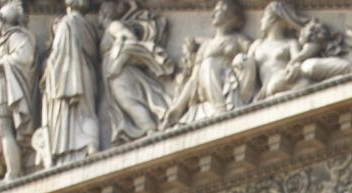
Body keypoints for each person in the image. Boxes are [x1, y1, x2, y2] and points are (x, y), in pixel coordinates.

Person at [229, 1, 352, 106]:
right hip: (270, 86)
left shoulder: (290, 43)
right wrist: (239, 59)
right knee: (301, 81)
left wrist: (294, 67)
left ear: (275, 19)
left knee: (308, 72)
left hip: (286, 79)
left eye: (265, 16)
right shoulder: (257, 45)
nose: (261, 20)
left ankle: (346, 72)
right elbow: (248, 68)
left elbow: (297, 61)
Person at [161, 0, 249, 128]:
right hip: (208, 88)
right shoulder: (205, 47)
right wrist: (177, 109)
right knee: (208, 64)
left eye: (218, 10)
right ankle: (219, 108)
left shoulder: (239, 40)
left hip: (231, 86)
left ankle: (222, 108)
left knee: (211, 63)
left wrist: (242, 60)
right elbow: (194, 79)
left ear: (230, 15)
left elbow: (254, 56)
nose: (213, 14)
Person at [99, 0, 173, 144]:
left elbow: (130, 40)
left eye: (101, 12)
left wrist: (117, 65)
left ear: (104, 14)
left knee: (128, 101)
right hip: (115, 73)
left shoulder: (114, 26)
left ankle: (150, 129)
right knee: (127, 102)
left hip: (121, 73)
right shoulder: (109, 29)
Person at [37, 0, 101, 167]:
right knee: (86, 113)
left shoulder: (68, 24)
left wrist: (46, 71)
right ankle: (92, 144)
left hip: (67, 82)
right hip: (87, 76)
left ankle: (69, 154)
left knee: (73, 117)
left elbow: (58, 58)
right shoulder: (89, 27)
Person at [0, 0, 36, 180]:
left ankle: (13, 172)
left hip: (5, 92)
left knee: (4, 129)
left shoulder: (15, 37)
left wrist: (2, 62)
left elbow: (25, 56)